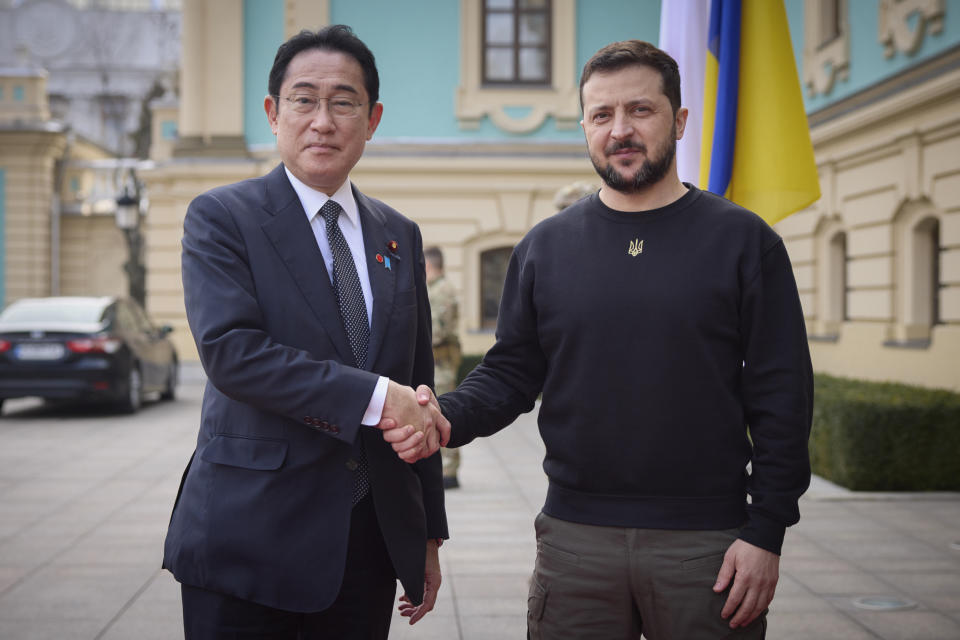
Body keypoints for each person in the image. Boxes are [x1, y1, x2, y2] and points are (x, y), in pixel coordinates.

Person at [383, 40, 813, 639]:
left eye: (640, 110)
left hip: (707, 546)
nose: (620, 130)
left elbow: (782, 394)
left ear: (679, 120)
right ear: (584, 126)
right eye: (602, 115)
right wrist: (443, 416)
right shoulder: (545, 247)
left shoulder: (744, 242)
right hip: (574, 541)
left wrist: (767, 529)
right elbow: (511, 372)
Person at [163, 25, 448, 639]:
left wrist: (425, 533)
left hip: (365, 547)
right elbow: (233, 355)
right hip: (248, 542)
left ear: (371, 120)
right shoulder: (221, 218)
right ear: (273, 112)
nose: (323, 120)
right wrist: (376, 397)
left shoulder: (398, 234)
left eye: (343, 102)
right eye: (303, 99)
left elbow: (416, 385)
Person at [423, 246, 463, 489]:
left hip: (442, 363)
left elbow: (438, 330)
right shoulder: (434, 289)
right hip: (436, 362)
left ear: (428, 266)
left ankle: (449, 470)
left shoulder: (443, 291)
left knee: (445, 410)